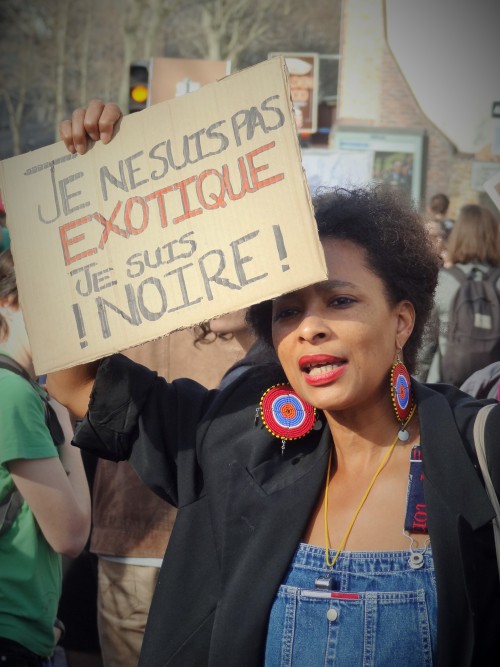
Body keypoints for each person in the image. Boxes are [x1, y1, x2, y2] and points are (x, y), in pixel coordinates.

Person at [47, 102, 500, 667]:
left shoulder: (476, 451)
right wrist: (88, 195)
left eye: (340, 300)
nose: (310, 327)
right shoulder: (236, 437)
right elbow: (74, 382)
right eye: (287, 312)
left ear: (402, 320)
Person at [0, 249, 91, 666]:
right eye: (46, 299)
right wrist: (66, 427)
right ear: (8, 302)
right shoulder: (13, 392)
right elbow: (70, 535)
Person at [418, 203, 500, 384]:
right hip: (493, 390)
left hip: (447, 389)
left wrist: (416, 389)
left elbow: (426, 344)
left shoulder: (444, 281)